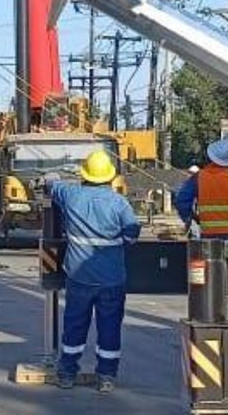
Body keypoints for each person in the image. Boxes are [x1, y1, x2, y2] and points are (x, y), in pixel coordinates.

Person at [49, 150, 141, 393]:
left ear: (84, 175)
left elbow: (53, 186)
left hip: (79, 277)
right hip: (112, 279)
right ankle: (106, 377)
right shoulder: (119, 203)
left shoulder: (71, 196)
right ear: (110, 177)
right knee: (109, 327)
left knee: (74, 325)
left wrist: (50, 178)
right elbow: (132, 234)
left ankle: (67, 373)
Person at [174, 138, 228, 318]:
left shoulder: (199, 178)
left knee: (210, 284)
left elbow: (181, 200)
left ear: (210, 157)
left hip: (209, 242)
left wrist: (190, 217)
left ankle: (211, 319)